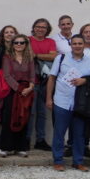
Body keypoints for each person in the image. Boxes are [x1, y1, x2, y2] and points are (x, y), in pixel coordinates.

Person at [46, 34, 90, 171]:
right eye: (74, 43)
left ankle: (78, 161)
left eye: (80, 43)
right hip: (61, 101)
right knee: (59, 133)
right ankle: (58, 161)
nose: (77, 46)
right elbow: (51, 78)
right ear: (70, 45)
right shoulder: (61, 58)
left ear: (84, 45)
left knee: (79, 134)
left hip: (81, 104)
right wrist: (48, 98)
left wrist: (85, 80)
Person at [0, 34, 36, 157]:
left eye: (22, 42)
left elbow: (32, 74)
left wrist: (30, 87)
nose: (19, 45)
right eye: (16, 42)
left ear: (26, 44)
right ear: (12, 44)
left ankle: (20, 147)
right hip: (12, 92)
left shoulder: (29, 58)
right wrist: (19, 89)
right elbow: (7, 76)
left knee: (23, 118)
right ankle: (5, 147)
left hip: (26, 92)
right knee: (8, 118)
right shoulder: (7, 57)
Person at [28, 18, 58, 151]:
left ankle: (40, 140)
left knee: (42, 112)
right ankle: (26, 139)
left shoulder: (50, 41)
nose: (40, 29)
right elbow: (26, 55)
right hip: (31, 81)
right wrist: (42, 56)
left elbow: (53, 56)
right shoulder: (27, 40)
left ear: (47, 29)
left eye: (43, 27)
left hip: (46, 82)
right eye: (38, 26)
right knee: (31, 112)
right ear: (34, 28)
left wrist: (37, 55)